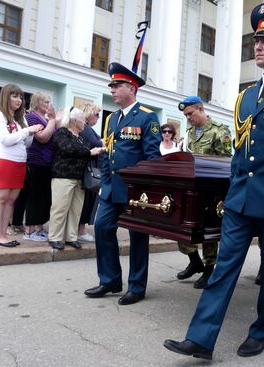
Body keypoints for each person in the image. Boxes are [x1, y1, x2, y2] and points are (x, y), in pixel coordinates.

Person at [163, 3, 264, 359]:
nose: (258, 45)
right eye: (256, 38)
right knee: (224, 267)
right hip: (240, 198)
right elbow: (241, 152)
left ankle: (263, 329)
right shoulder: (246, 97)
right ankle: (201, 338)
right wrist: (230, 192)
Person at [84, 62, 161, 305]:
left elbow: (152, 159)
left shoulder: (148, 117)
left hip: (135, 192)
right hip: (111, 189)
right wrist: (105, 181)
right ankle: (110, 280)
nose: (112, 90)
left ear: (131, 87)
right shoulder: (112, 119)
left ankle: (137, 286)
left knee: (138, 238)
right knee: (102, 229)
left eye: (116, 85)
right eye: (112, 86)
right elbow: (108, 152)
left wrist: (145, 190)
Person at [173, 95, 232, 289]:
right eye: (185, 115)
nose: (188, 118)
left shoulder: (219, 130)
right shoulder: (190, 131)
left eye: (190, 113)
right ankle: (194, 260)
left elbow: (225, 161)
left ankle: (209, 269)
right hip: (193, 187)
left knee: (208, 231)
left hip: (212, 190)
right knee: (182, 224)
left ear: (200, 109)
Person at [0, 84, 43, 247]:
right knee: (1, 198)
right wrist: (27, 131)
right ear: (6, 97)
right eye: (14, 96)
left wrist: (30, 133)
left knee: (11, 200)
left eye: (20, 97)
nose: (19, 100)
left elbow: (26, 143)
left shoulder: (21, 118)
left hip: (20, 162)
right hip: (4, 161)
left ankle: (4, 233)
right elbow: (5, 139)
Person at [48, 107, 104, 250]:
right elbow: (68, 148)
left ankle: (71, 237)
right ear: (74, 121)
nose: (84, 123)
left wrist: (94, 151)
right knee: (60, 208)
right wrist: (89, 152)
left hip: (80, 178)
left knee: (75, 209)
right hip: (63, 176)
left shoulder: (81, 137)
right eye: (82, 120)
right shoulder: (62, 132)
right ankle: (55, 237)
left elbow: (83, 151)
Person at [23, 92, 59, 242]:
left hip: (48, 162)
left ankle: (39, 227)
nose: (49, 104)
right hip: (36, 160)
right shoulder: (31, 116)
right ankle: (29, 230)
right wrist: (52, 120)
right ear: (37, 103)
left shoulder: (45, 118)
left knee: (44, 197)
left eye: (50, 101)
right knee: (34, 195)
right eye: (46, 102)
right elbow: (43, 138)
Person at [78, 102, 104, 242]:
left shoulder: (87, 127)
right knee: (87, 200)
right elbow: (96, 143)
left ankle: (80, 229)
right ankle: (80, 230)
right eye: (97, 115)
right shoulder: (86, 128)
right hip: (89, 169)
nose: (98, 118)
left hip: (90, 167)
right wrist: (104, 142)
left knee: (87, 199)